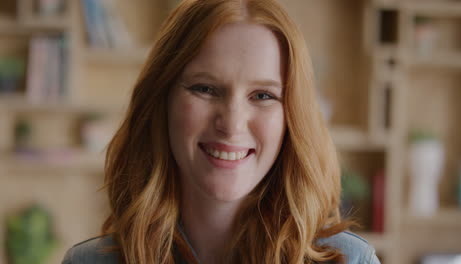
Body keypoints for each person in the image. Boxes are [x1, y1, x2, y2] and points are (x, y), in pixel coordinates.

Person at [62, 0, 381, 263]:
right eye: (205, 88)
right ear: (161, 101)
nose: (232, 123)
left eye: (263, 95)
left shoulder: (350, 261)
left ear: (292, 118)